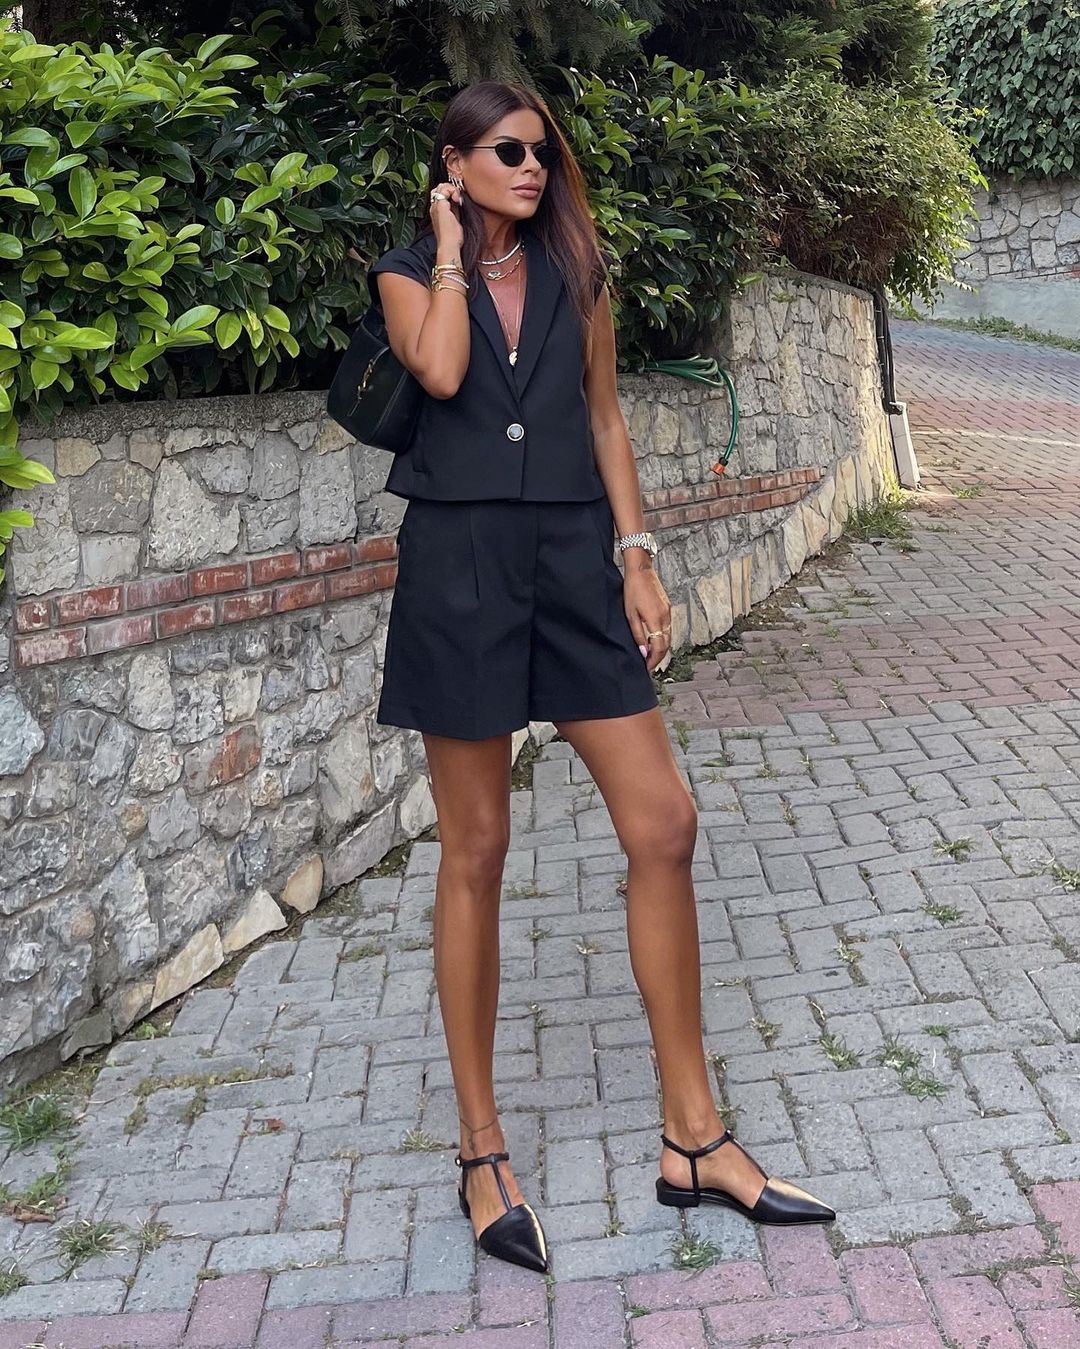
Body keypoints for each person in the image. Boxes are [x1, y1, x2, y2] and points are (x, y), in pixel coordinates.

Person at [367, 79, 834, 1276]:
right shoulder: (408, 273)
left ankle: (695, 1136)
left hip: (577, 562)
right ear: (455, 164)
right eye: (506, 151)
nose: (532, 167)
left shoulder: (579, 269)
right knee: (477, 849)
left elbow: (607, 416)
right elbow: (438, 371)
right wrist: (451, 250)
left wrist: (637, 555)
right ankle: (480, 1149)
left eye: (541, 151)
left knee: (664, 821)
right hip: (461, 568)